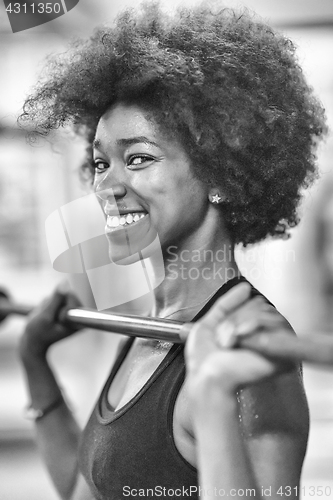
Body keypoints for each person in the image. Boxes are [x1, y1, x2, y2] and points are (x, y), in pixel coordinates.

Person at [18, 2, 326, 499]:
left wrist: (212, 400)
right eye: (101, 164)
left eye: (138, 158)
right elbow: (95, 490)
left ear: (221, 174)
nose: (107, 186)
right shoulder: (150, 329)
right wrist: (36, 363)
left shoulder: (253, 359)